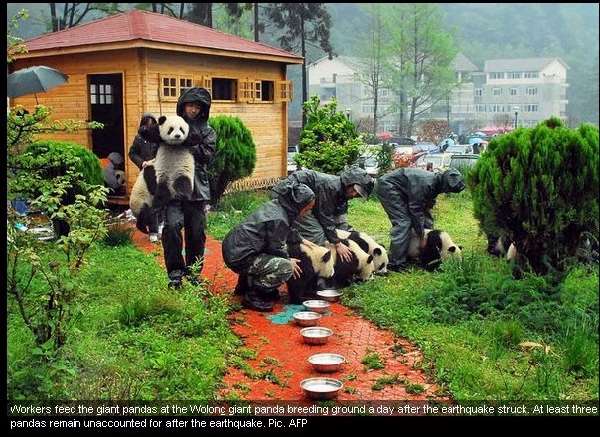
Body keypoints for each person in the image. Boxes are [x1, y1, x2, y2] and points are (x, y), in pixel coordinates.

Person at [222, 181, 316, 312]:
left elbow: (284, 231)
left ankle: (243, 286)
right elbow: (276, 248)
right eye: (307, 209)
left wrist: (301, 239)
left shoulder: (278, 206)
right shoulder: (279, 218)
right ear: (298, 206)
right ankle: (254, 295)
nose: (308, 212)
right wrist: (289, 260)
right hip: (240, 257)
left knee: (262, 254)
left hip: (234, 248)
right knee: (285, 267)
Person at [162, 87, 216, 289]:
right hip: (173, 190)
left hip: (197, 190)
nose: (193, 110)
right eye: (190, 105)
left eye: (197, 107)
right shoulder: (172, 125)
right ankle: (175, 274)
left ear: (202, 110)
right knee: (172, 228)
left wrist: (185, 145)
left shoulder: (207, 131)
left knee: (196, 233)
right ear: (183, 106)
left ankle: (193, 273)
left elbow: (207, 155)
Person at [271, 166, 374, 264]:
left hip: (304, 199)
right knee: (317, 234)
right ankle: (315, 263)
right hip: (288, 195)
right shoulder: (331, 187)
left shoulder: (342, 193)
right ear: (349, 182)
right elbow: (324, 217)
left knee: (328, 232)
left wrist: (344, 238)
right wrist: (337, 244)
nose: (353, 194)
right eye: (354, 190)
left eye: (358, 194)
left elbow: (339, 220)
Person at [376, 167, 466, 272]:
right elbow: (416, 210)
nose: (447, 192)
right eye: (448, 189)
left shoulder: (435, 185)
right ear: (444, 184)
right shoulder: (427, 184)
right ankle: (395, 262)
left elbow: (426, 210)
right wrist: (422, 236)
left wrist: (430, 236)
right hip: (388, 186)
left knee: (423, 222)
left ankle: (413, 252)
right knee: (403, 223)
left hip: (402, 189)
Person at [129, 113, 162, 242]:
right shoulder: (139, 139)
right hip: (145, 175)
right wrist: (142, 162)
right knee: (147, 202)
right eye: (146, 124)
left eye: (151, 124)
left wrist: (154, 160)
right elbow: (132, 153)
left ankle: (159, 226)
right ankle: (152, 230)